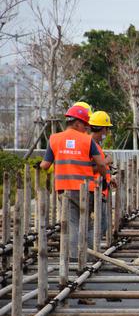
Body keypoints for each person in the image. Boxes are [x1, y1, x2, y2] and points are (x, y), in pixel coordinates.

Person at [39, 105, 108, 261]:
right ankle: (89, 257)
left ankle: (74, 258)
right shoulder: (87, 140)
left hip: (64, 190)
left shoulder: (54, 139)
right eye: (85, 125)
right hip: (86, 190)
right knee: (87, 223)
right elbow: (102, 164)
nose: (86, 128)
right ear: (77, 123)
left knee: (72, 223)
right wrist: (104, 179)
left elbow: (44, 165)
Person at [88, 111, 117, 239]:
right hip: (94, 189)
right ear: (103, 129)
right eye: (107, 129)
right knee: (101, 224)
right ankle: (89, 250)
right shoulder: (89, 144)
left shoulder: (96, 144)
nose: (107, 133)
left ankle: (90, 249)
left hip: (99, 188)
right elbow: (91, 168)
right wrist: (107, 161)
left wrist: (109, 179)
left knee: (101, 223)